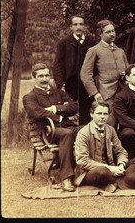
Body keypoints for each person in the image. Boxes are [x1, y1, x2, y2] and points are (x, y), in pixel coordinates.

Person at [23, 63, 81, 192]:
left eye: (47, 75)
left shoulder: (59, 93)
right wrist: (59, 116)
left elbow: (74, 106)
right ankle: (66, 178)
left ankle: (91, 173)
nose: (44, 79)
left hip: (67, 127)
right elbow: (37, 113)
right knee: (67, 134)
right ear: (34, 78)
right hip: (48, 132)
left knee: (86, 130)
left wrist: (55, 108)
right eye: (40, 76)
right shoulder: (29, 97)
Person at [74, 101, 135, 193]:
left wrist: (121, 165)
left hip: (113, 166)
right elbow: (83, 161)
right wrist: (109, 168)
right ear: (91, 114)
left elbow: (121, 151)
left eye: (105, 114)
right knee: (102, 172)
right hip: (91, 171)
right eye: (99, 113)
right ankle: (120, 180)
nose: (102, 116)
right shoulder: (83, 133)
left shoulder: (110, 130)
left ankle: (116, 179)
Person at [80, 20, 129, 128]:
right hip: (106, 95)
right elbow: (85, 75)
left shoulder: (120, 51)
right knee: (108, 125)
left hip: (123, 93)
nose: (112, 34)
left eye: (113, 31)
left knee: (126, 125)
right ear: (101, 34)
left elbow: (128, 71)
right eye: (108, 32)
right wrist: (95, 93)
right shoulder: (94, 50)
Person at [53, 15, 96, 125]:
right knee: (71, 110)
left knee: (86, 111)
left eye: (81, 24)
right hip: (71, 84)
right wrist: (60, 84)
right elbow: (58, 64)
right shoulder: (64, 43)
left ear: (85, 27)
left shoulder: (91, 42)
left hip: (87, 84)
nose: (78, 27)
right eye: (75, 24)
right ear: (71, 27)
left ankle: (85, 137)